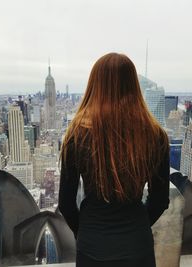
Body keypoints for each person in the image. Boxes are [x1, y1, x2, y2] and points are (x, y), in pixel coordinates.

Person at [58, 53, 170, 267]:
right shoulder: (155, 135)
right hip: (138, 246)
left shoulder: (76, 135)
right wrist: (135, 228)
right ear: (133, 86)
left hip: (92, 245)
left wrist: (87, 232)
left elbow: (65, 203)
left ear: (94, 86)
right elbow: (159, 200)